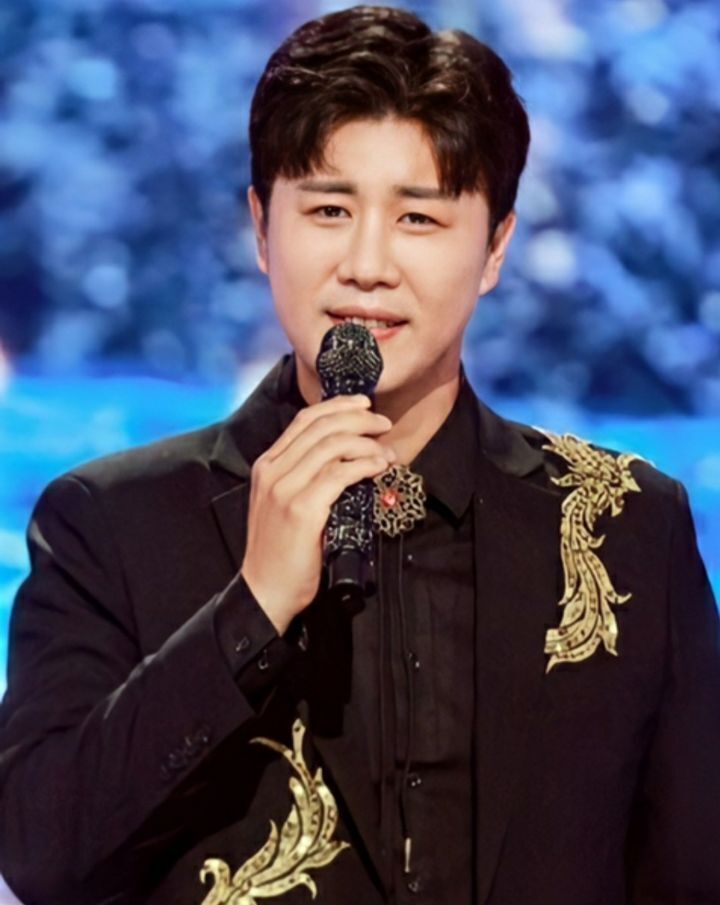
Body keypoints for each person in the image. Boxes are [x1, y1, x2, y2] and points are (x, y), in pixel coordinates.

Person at [1, 5, 719, 904]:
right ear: (262, 228)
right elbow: (40, 855)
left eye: (418, 217)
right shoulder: (109, 524)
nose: (367, 264)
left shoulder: (628, 525)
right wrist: (253, 608)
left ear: (495, 247)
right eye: (330, 210)